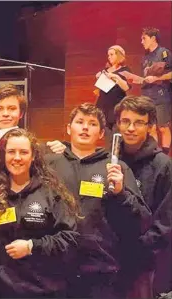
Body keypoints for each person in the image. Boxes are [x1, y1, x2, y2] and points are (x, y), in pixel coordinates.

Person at [46, 103, 151, 298]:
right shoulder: (48, 165)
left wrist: (121, 193)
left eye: (92, 124)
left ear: (102, 133)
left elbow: (142, 221)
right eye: (80, 122)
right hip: (53, 270)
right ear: (69, 128)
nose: (85, 127)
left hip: (100, 271)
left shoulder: (116, 167)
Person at [0, 128, 79, 298]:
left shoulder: (50, 192)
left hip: (44, 289)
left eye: (23, 152)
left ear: (33, 156)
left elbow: (70, 238)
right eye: (11, 152)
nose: (17, 158)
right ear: (3, 155)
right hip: (3, 290)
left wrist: (32, 246)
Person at [113, 96, 172, 298]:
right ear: (118, 124)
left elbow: (166, 220)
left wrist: (139, 249)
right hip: (109, 256)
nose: (131, 128)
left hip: (144, 262)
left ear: (150, 126)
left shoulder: (163, 165)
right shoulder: (109, 160)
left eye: (139, 122)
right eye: (126, 121)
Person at [0, 84, 66, 160]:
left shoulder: (28, 141)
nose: (5, 114)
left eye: (12, 109)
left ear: (21, 114)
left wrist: (58, 148)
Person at [140, 27, 172, 154]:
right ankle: (154, 153)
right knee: (151, 128)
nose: (142, 42)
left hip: (161, 96)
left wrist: (157, 78)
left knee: (163, 127)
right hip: (147, 96)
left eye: (144, 38)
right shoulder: (145, 58)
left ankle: (164, 154)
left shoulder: (164, 53)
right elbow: (144, 77)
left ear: (153, 38)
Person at [95, 45, 131, 147]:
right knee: (107, 137)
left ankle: (117, 158)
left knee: (117, 137)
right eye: (108, 55)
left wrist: (115, 77)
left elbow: (126, 87)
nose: (109, 57)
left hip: (116, 108)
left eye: (111, 54)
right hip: (104, 107)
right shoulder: (106, 70)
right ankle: (109, 159)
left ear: (119, 55)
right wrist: (99, 76)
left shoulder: (125, 70)